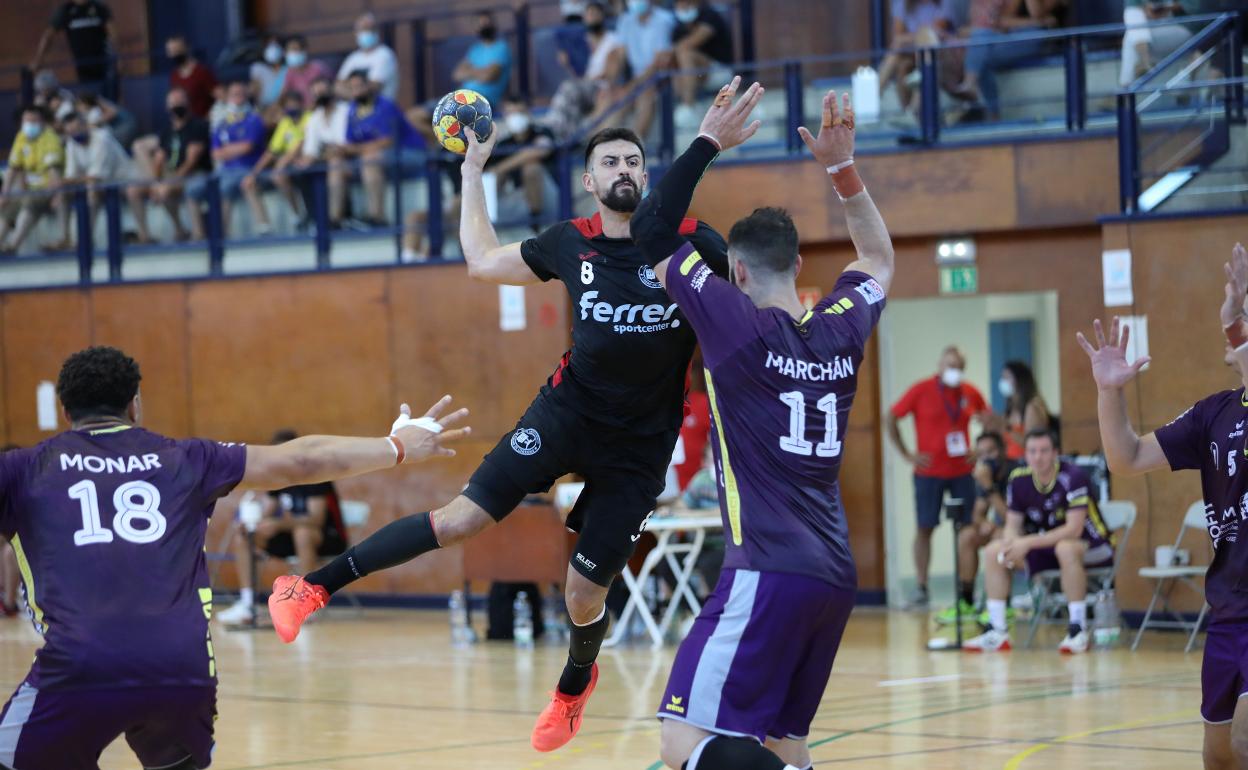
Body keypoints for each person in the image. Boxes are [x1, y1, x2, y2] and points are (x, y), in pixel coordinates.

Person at [266, 118, 732, 753]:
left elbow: (753, 294)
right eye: (610, 162)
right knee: (459, 520)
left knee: (582, 594)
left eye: (632, 161)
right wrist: (472, 171)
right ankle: (312, 585)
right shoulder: (571, 241)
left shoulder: (693, 241)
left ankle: (573, 686)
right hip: (566, 415)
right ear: (589, 181)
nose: (623, 170)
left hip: (641, 445)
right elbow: (482, 262)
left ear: (648, 176)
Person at [0, 344, 469, 770]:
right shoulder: (187, 457)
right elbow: (301, 460)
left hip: (81, 663)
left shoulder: (23, 470)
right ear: (135, 405)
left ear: (65, 410)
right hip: (182, 667)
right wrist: (396, 446)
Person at [630, 84, 893, 770]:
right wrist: (842, 170)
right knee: (783, 743)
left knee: (681, 741)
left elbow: (649, 230)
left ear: (737, 270)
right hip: (833, 578)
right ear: (799, 266)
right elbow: (877, 259)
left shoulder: (732, 320)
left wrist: (708, 141)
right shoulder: (839, 328)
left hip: (766, 572)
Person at [1074, 244, 1248, 768]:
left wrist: (1234, 322)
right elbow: (1125, 457)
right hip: (1228, 612)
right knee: (1219, 757)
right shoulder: (1214, 414)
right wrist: (1109, 392)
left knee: (1245, 744)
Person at [962, 428, 1114, 654]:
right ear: (1025, 454)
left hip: (1093, 545)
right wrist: (1011, 543)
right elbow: (1012, 524)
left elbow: (1073, 530)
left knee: (1066, 548)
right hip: (1049, 547)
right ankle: (997, 630)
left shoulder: (1073, 477)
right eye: (1032, 451)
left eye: (1044, 451)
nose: (1038, 457)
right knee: (994, 551)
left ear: (1055, 453)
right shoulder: (1019, 479)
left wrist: (1026, 543)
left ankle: (1077, 629)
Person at [887, 346, 990, 607]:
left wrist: (979, 450)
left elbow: (990, 421)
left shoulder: (970, 392)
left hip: (962, 472)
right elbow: (891, 417)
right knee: (925, 527)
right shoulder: (921, 390)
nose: (954, 371)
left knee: (968, 529)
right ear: (940, 365)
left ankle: (968, 588)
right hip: (928, 473)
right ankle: (921, 586)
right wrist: (907, 454)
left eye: (959, 367)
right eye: (950, 365)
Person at [216, 430, 349, 626]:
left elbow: (316, 519)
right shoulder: (279, 478)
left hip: (326, 538)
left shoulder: (317, 476)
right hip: (291, 537)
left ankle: (305, 601)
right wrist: (255, 524)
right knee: (245, 536)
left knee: (303, 533)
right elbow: (267, 512)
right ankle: (247, 603)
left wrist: (279, 523)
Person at [934, 430, 1017, 625]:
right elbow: (977, 514)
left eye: (991, 451)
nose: (986, 458)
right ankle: (966, 600)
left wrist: (988, 486)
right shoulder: (986, 474)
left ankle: (1003, 603)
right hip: (1000, 527)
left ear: (1003, 450)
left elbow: (1011, 518)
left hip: (1022, 531)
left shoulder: (1015, 473)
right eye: (981, 454)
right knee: (967, 535)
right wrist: (983, 522)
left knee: (1000, 537)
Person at [129, 87, 212, 243]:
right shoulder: (167, 131)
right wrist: (155, 182)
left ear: (188, 103)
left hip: (195, 173)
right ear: (167, 107)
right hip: (172, 175)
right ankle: (144, 236)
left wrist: (168, 182)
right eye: (173, 103)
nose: (177, 105)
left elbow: (191, 161)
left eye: (180, 101)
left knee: (165, 189)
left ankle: (182, 230)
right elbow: (159, 159)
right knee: (133, 190)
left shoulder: (199, 125)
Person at [959, 0, 1064, 121]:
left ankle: (987, 107)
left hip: (1040, 39)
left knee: (982, 50)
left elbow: (1037, 14)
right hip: (1014, 36)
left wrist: (1030, 22)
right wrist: (1031, 22)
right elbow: (1003, 22)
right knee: (981, 38)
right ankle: (973, 87)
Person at [341, 70, 422, 228]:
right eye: (352, 88)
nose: (357, 91)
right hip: (377, 157)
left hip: (410, 152)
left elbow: (387, 141)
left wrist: (357, 150)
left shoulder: (385, 105)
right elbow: (349, 143)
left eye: (360, 86)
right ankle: (337, 221)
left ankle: (377, 217)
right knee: (337, 165)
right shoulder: (352, 110)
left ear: (369, 85)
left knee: (370, 159)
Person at [543, 2, 626, 145]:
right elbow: (578, 77)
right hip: (585, 87)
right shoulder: (583, 42)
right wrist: (567, 64)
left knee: (568, 87)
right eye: (588, 15)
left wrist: (606, 84)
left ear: (602, 16)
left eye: (595, 14)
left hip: (600, 87)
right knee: (571, 98)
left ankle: (550, 127)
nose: (592, 18)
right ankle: (568, 138)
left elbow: (613, 71)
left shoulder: (612, 40)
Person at [0, 106, 67, 255]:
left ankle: (13, 246)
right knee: (7, 207)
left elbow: (54, 171)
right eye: (27, 120)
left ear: (42, 122)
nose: (30, 124)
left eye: (34, 120)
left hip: (46, 189)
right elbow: (13, 168)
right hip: (28, 190)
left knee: (28, 203)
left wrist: (57, 194)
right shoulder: (21, 137)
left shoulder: (50, 138)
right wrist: (5, 194)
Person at [60, 110, 140, 233]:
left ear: (86, 125)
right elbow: (70, 176)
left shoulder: (102, 138)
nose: (75, 134)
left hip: (124, 182)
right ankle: (66, 237)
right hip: (102, 185)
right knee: (62, 193)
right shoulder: (72, 142)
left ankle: (86, 237)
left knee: (92, 188)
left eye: (77, 129)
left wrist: (67, 180)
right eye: (71, 132)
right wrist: (64, 182)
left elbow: (96, 177)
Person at [241, 90, 309, 234]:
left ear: (301, 104)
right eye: (288, 105)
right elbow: (271, 152)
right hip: (289, 165)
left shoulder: (309, 117)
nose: (291, 108)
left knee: (279, 175)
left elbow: (302, 142)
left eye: (294, 104)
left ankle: (302, 216)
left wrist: (283, 162)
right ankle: (265, 227)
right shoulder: (285, 122)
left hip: (308, 163)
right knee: (249, 183)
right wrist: (253, 174)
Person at [879, 0, 958, 115]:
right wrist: (916, 37)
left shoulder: (944, 3)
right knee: (901, 61)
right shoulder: (902, 4)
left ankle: (913, 110)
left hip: (941, 57)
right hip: (913, 53)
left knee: (925, 51)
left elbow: (932, 35)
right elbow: (898, 38)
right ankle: (875, 96)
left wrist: (910, 38)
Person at [210, 81, 266, 237]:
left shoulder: (254, 119)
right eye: (235, 94)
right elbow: (215, 154)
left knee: (247, 182)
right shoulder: (222, 124)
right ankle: (221, 234)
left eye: (242, 94)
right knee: (214, 187)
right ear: (228, 97)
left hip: (251, 167)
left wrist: (226, 149)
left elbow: (248, 147)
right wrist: (236, 148)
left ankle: (264, 227)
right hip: (226, 170)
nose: (239, 97)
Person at [616, 0, 677, 138]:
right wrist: (614, 84)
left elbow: (660, 61)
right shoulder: (625, 20)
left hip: (660, 76)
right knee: (613, 95)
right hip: (635, 77)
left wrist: (633, 84)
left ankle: (634, 142)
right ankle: (597, 142)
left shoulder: (664, 20)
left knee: (645, 92)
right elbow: (620, 55)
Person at [295, 77, 350, 227]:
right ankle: (314, 219)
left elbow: (342, 144)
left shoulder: (346, 110)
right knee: (302, 170)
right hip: (326, 158)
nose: (321, 96)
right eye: (317, 93)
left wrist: (323, 154)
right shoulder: (314, 118)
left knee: (335, 163)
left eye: (323, 92)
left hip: (350, 157)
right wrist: (304, 162)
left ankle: (335, 219)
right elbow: (310, 150)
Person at [671, 0, 734, 125]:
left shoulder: (709, 15)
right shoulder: (677, 28)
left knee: (685, 54)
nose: (684, 6)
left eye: (687, 3)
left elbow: (691, 42)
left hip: (721, 72)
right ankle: (690, 106)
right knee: (675, 66)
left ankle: (688, 105)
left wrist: (671, 51)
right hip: (697, 76)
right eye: (680, 3)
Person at [30, 0, 115, 89]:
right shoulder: (66, 10)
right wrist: (39, 59)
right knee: (87, 93)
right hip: (82, 67)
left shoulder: (99, 7)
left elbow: (113, 34)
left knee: (107, 92)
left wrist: (119, 59)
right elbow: (48, 36)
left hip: (103, 63)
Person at [1120, 1, 1195, 86]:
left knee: (1130, 36)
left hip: (1186, 27)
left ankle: (1127, 86)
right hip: (1156, 28)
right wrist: (1148, 9)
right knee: (1132, 22)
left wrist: (1165, 7)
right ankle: (1142, 68)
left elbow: (1192, 6)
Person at [453, 12, 513, 112]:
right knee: (424, 112)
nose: (484, 27)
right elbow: (457, 74)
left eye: (487, 23)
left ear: (494, 24)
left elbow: (488, 76)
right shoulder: (475, 49)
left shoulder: (501, 47)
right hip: (460, 97)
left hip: (484, 100)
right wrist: (481, 72)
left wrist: (470, 71)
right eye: (480, 24)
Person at [336, 13, 399, 101]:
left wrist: (350, 89)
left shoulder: (385, 55)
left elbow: (374, 86)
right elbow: (338, 86)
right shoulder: (353, 58)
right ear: (356, 33)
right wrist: (357, 96)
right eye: (363, 29)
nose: (366, 33)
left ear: (377, 31)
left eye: (370, 29)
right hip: (355, 109)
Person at [999, 359, 1052, 459]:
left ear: (1020, 380)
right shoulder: (1010, 409)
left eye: (1007, 377)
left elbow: (1032, 444)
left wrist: (1006, 428)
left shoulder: (1032, 406)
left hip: (1028, 463)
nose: (1003, 382)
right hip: (1009, 462)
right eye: (1002, 377)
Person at [167, 36, 219, 120]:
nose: (174, 54)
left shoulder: (202, 72)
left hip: (203, 122)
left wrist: (210, 116)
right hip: (186, 123)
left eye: (177, 50)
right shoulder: (174, 76)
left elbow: (220, 96)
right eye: (171, 51)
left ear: (186, 48)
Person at [281, 35, 332, 104]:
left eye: (296, 49)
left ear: (304, 50)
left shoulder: (318, 67)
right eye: (290, 50)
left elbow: (333, 85)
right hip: (302, 110)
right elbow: (283, 97)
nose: (293, 53)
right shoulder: (289, 74)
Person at [250, 34, 287, 113]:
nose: (273, 49)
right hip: (263, 109)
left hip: (283, 108)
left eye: (276, 45)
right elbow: (255, 90)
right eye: (269, 45)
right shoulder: (258, 68)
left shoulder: (287, 69)